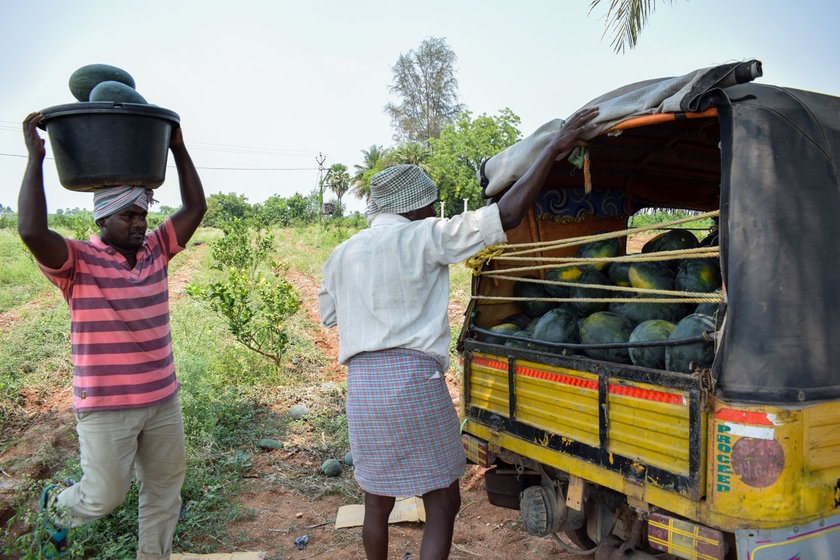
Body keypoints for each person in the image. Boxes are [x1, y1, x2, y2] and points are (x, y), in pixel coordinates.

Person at [318, 107, 599, 560]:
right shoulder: (426, 235)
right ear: (413, 205)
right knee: (443, 500)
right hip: (413, 382)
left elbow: (329, 317)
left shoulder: (341, 254)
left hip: (363, 387)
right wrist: (552, 149)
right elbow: (505, 215)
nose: (432, 209)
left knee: (376, 501)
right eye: (428, 202)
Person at [18, 111, 207, 559]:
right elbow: (31, 230)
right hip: (106, 407)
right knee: (103, 497)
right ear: (103, 219)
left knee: (164, 494)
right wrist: (36, 158)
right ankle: (57, 508)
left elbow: (196, 208)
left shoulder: (157, 251)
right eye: (129, 216)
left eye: (143, 214)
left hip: (162, 399)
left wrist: (178, 147)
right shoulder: (77, 262)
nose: (140, 224)